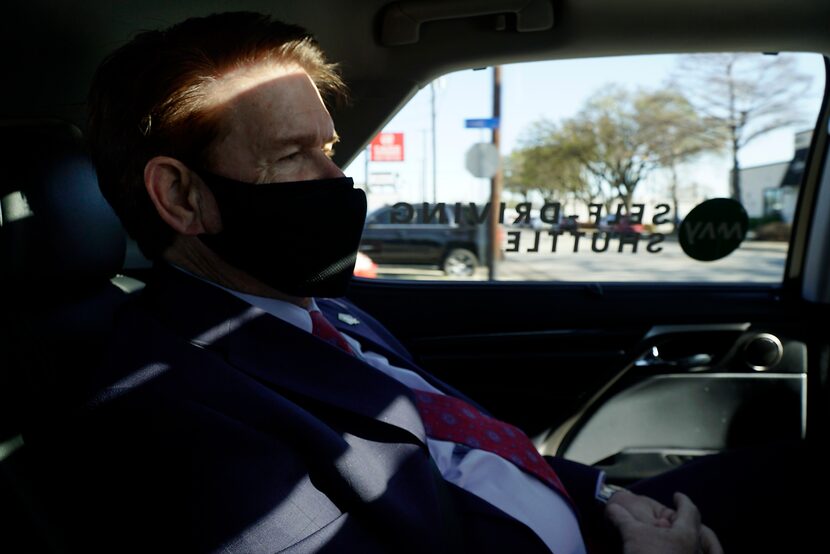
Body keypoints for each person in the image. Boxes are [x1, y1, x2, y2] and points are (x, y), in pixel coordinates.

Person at [47, 11, 728, 554]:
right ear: (181, 195)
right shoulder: (176, 414)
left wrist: (610, 500)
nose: (338, 181)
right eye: (291, 155)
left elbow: (475, 445)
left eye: (329, 149)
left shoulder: (325, 314)